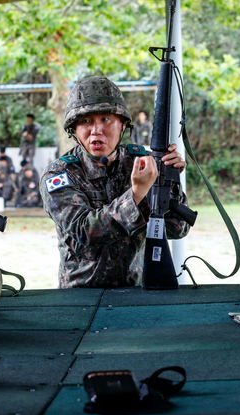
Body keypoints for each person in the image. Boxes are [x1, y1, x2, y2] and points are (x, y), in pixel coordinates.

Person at [40, 76, 190, 288]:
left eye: (105, 119)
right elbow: (84, 231)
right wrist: (137, 194)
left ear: (122, 125)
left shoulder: (141, 163)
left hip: (137, 290)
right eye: (85, 121)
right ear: (73, 129)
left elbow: (177, 229)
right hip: (81, 296)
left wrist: (168, 180)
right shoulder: (61, 174)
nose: (96, 130)